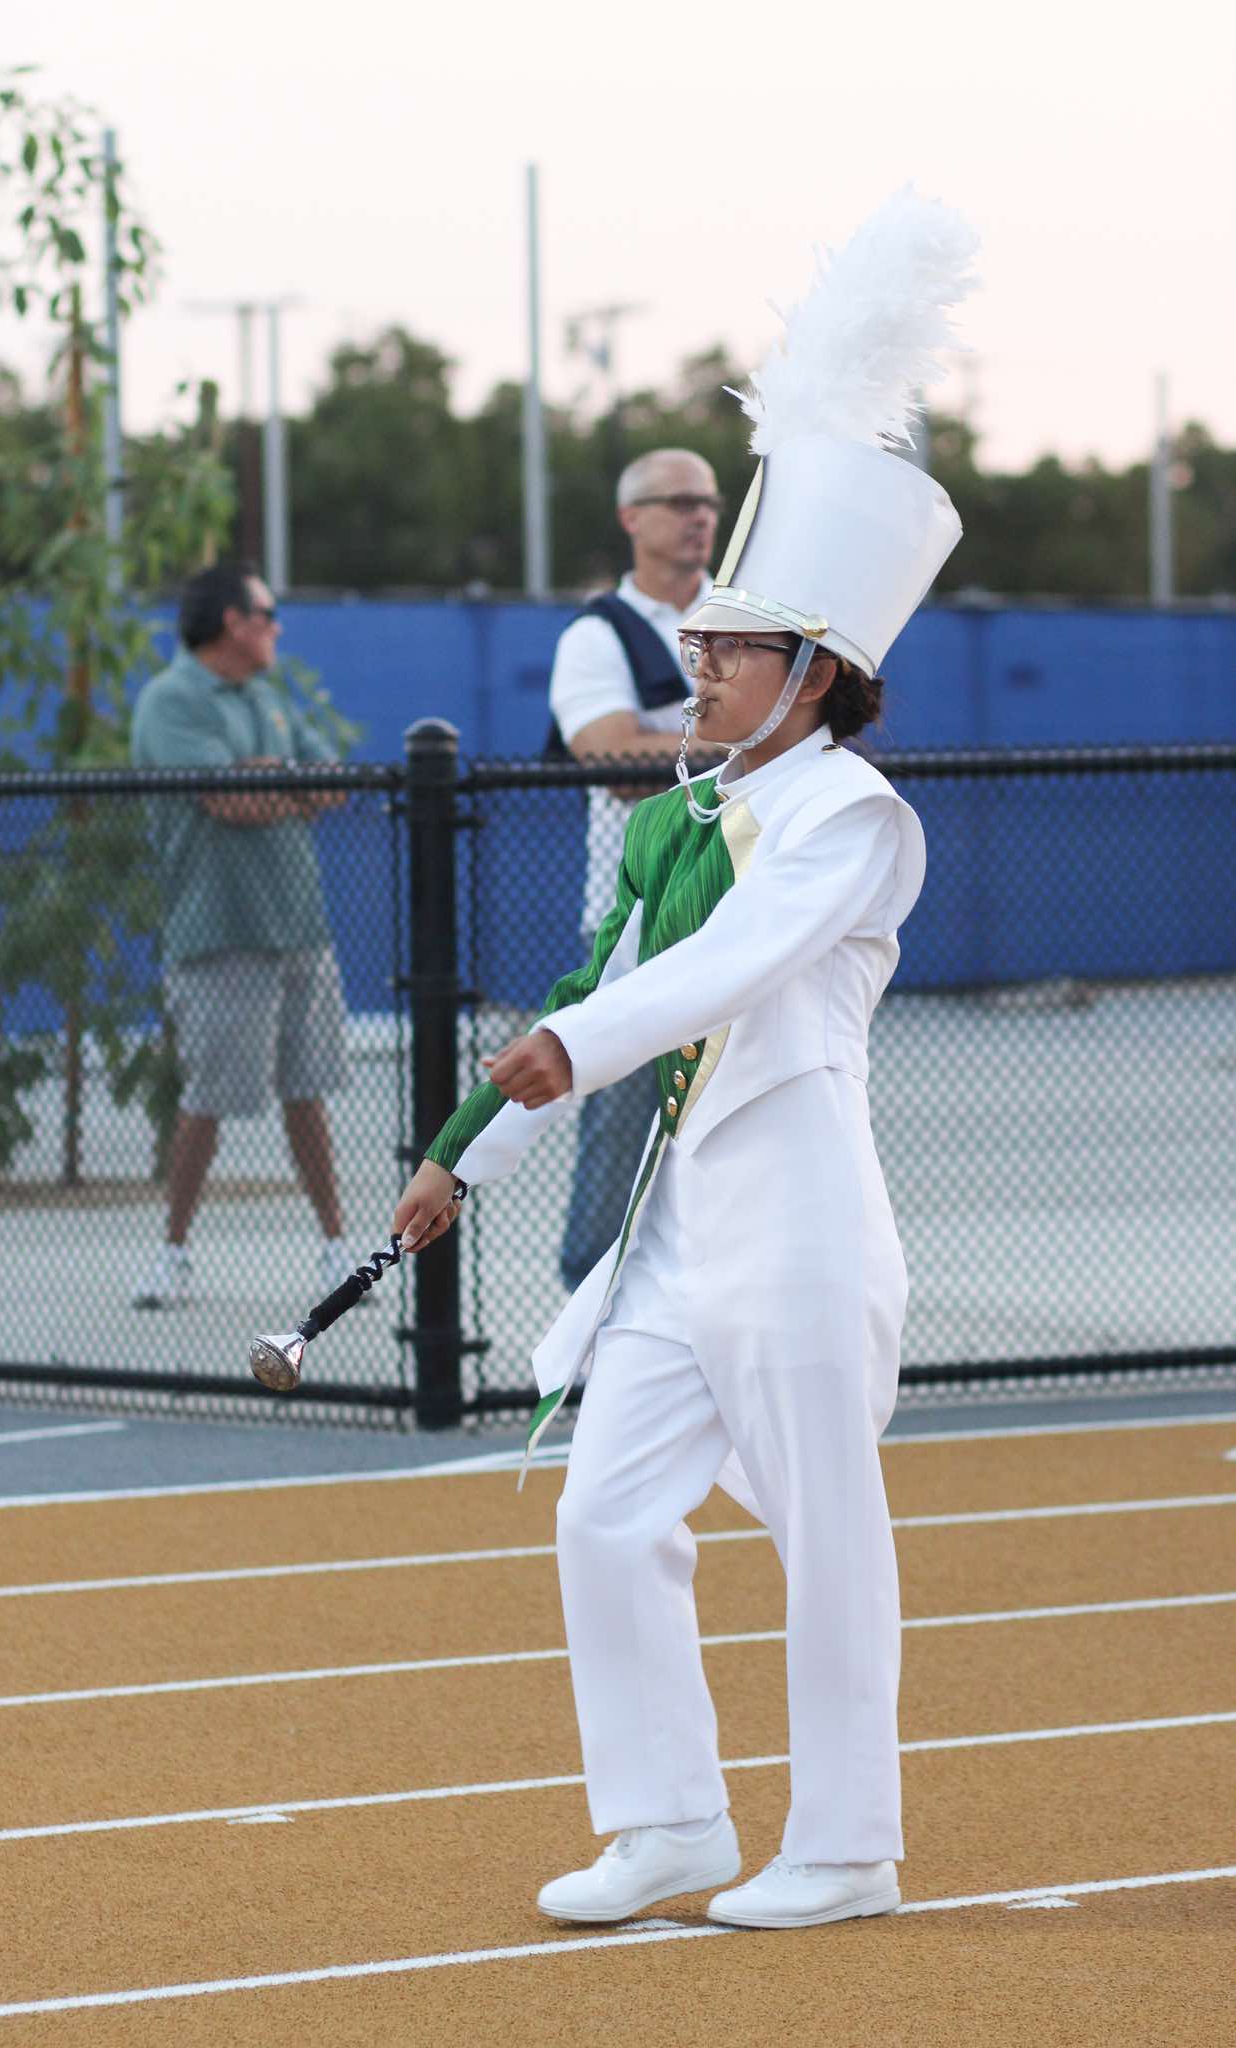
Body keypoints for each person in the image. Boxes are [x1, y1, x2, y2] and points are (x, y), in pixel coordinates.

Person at [394, 191, 978, 1930]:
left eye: (728, 647)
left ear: (815, 672)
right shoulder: (686, 811)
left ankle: (850, 1845)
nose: (697, 664)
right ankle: (666, 1823)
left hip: (795, 1221)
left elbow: (725, 969)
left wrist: (565, 1046)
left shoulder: (849, 817)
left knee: (826, 1534)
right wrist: (468, 1152)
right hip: (676, 1233)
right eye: (701, 640)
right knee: (604, 1515)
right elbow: (605, 975)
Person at [130, 562, 355, 1310]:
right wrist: (280, 787)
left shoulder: (268, 695)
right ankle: (172, 1253)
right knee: (208, 1099)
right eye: (267, 614)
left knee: (308, 1095)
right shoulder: (170, 701)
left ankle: (336, 1251)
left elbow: (332, 782)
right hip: (218, 930)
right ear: (233, 621)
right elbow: (230, 801)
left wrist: (270, 778)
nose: (277, 627)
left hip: (298, 924)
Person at [549, 449, 720, 1291]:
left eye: (708, 502)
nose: (699, 516)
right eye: (677, 501)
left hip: (742, 910)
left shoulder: (744, 615)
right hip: (636, 923)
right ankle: (594, 1306)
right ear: (631, 518)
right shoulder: (596, 634)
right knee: (622, 1130)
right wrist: (742, 740)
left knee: (733, 1123)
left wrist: (683, 744)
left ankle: (708, 1305)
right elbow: (610, 756)